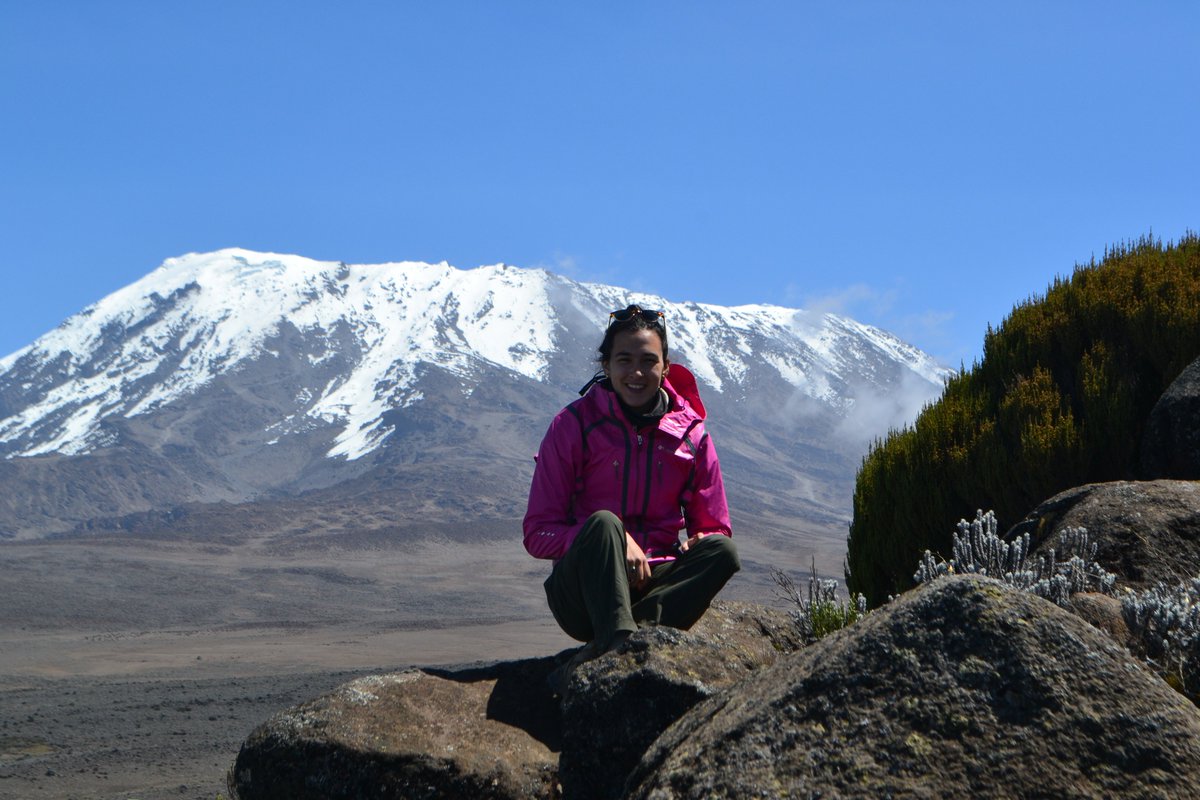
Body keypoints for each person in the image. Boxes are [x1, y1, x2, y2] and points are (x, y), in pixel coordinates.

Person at [523, 304, 740, 691]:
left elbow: (713, 525)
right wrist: (614, 540)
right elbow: (538, 533)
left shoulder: (691, 434)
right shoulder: (573, 426)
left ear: (666, 367)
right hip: (583, 595)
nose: (636, 373)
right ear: (606, 365)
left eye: (648, 361)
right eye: (624, 360)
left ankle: (623, 639)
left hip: (654, 582)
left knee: (723, 552)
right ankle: (619, 644)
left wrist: (701, 539)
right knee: (606, 523)